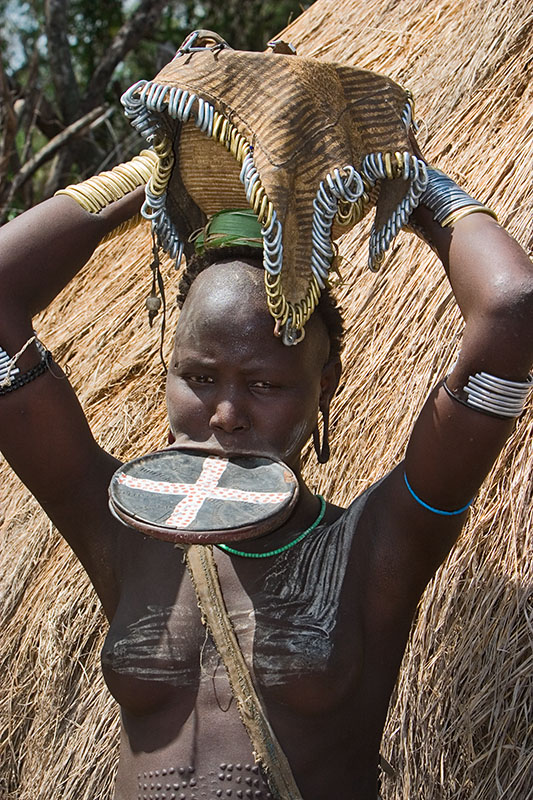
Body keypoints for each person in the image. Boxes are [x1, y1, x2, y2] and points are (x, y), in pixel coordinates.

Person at [1, 47, 533, 800]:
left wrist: (417, 188)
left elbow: (511, 311)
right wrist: (150, 177)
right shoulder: (116, 524)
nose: (223, 411)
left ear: (325, 387)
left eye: (264, 383)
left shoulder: (376, 547)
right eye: (198, 376)